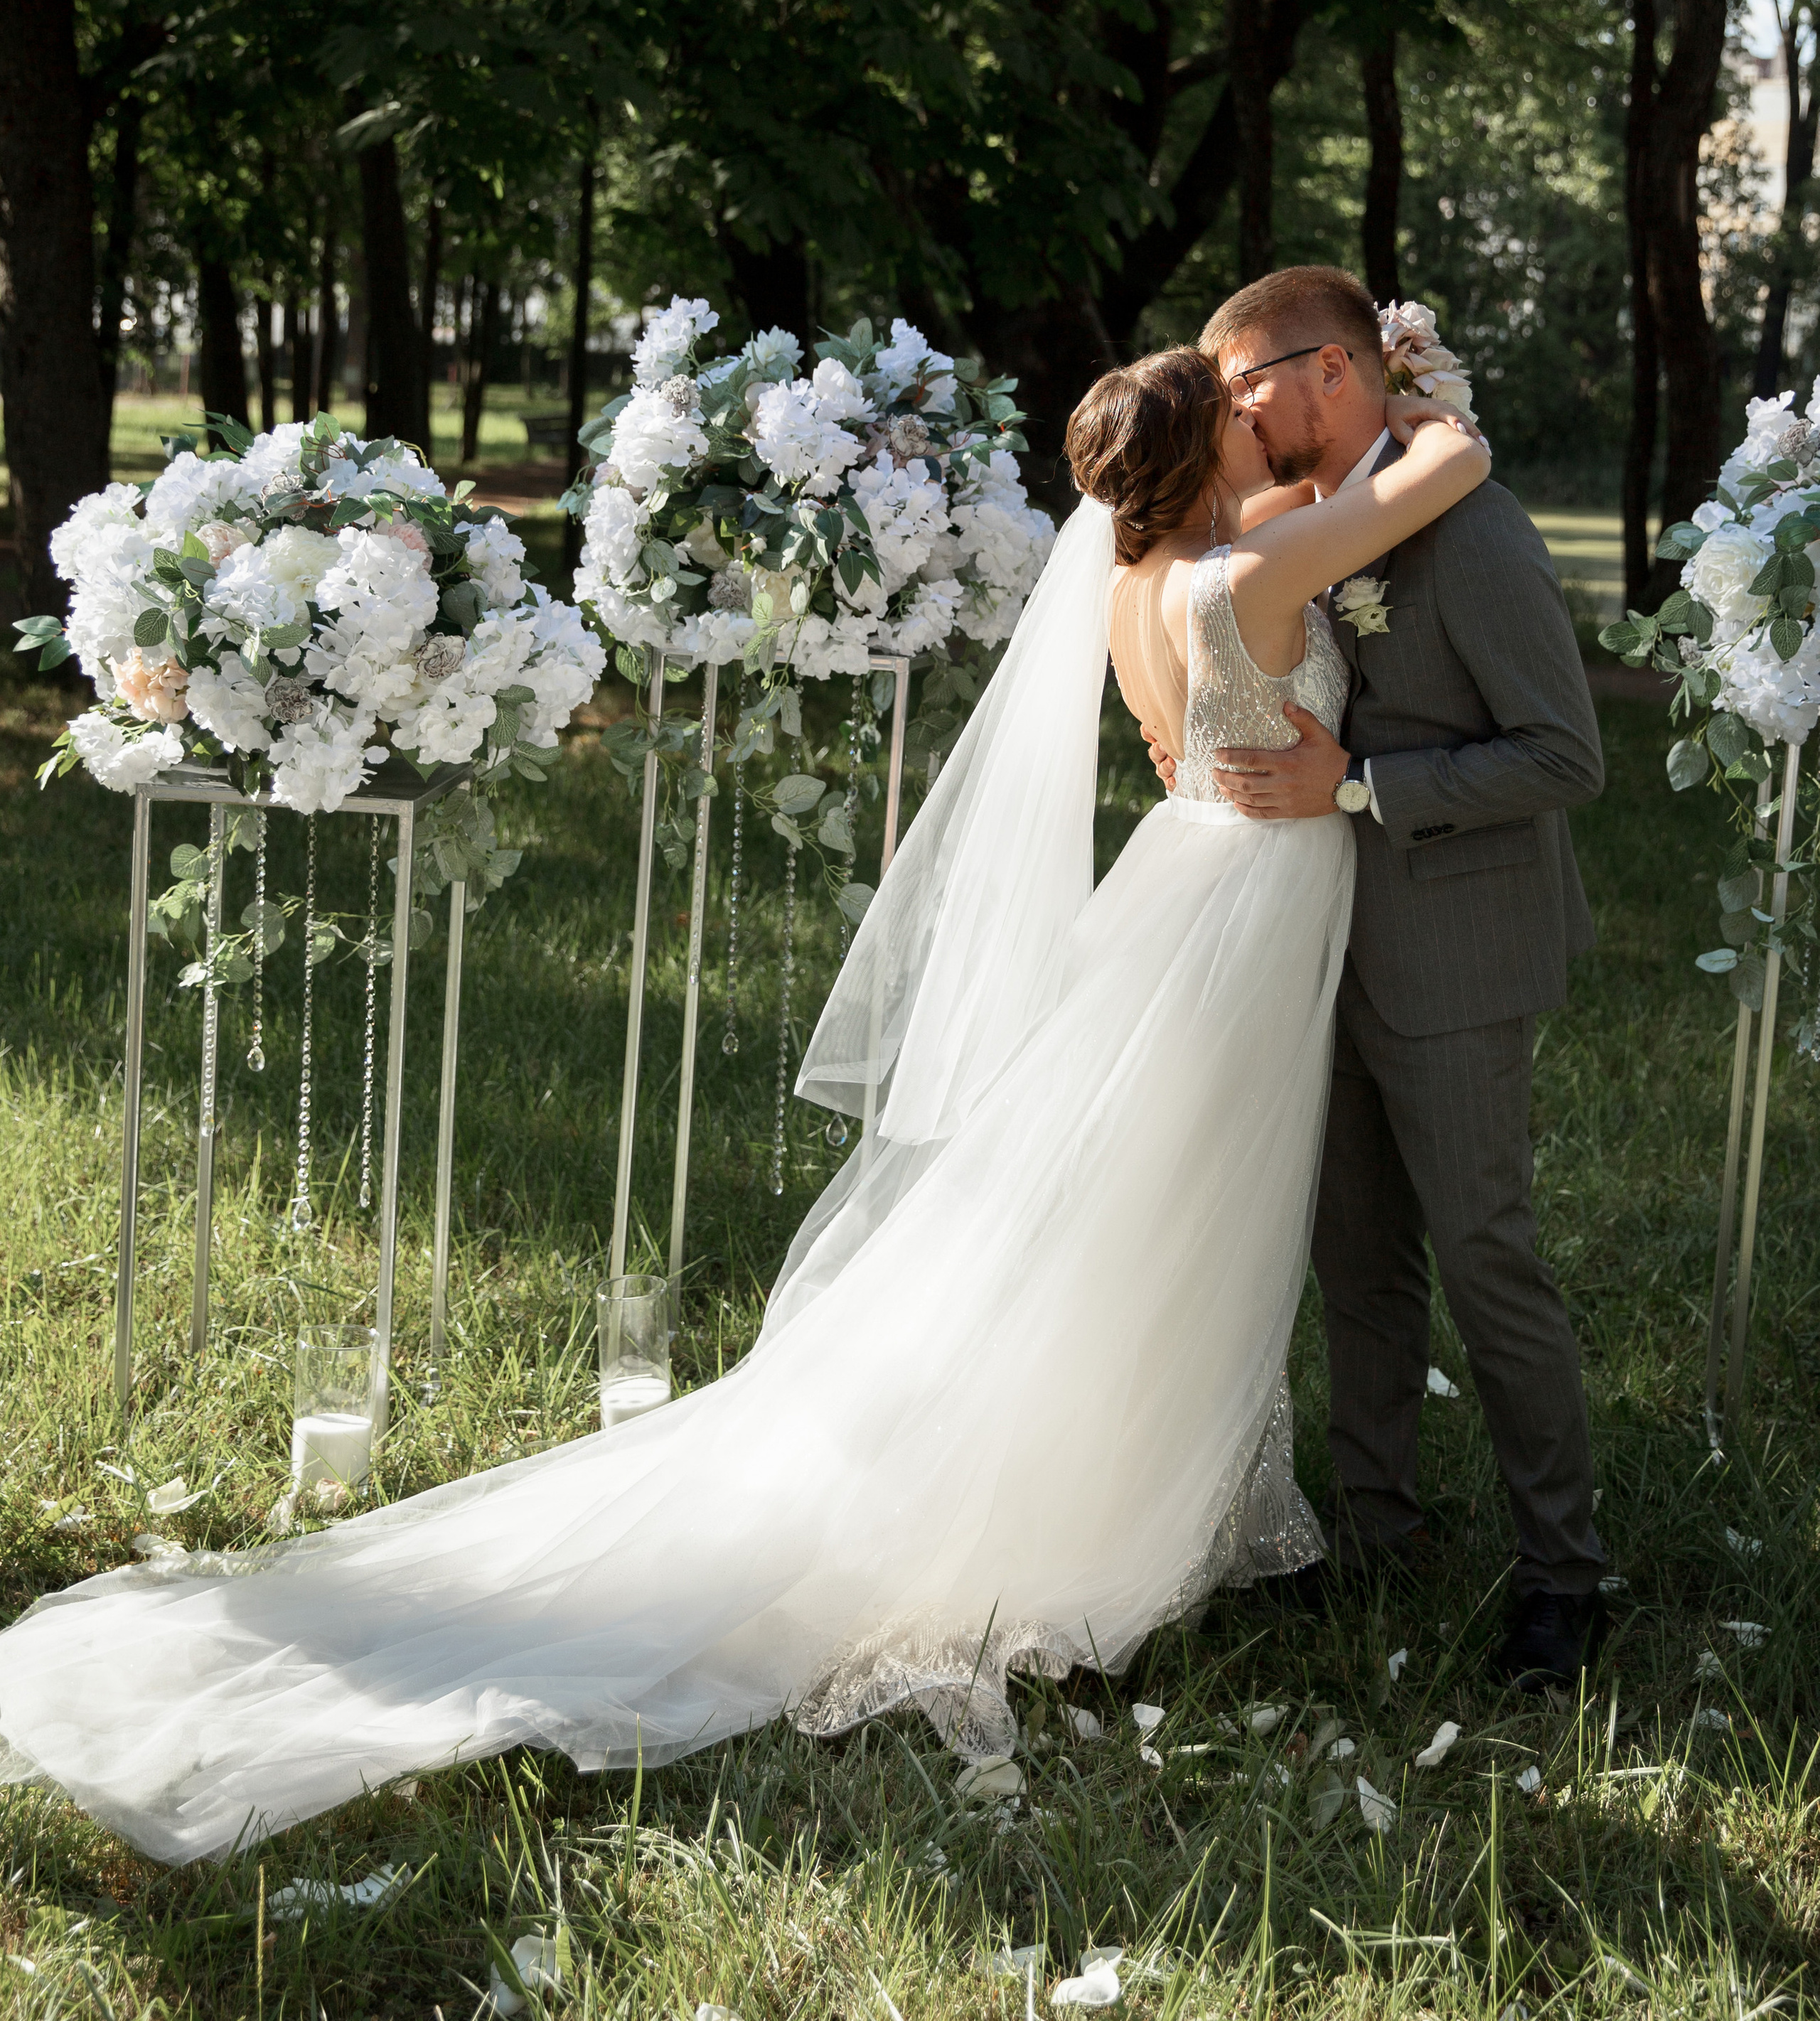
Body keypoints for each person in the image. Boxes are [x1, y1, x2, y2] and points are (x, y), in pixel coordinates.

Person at [0, 345, 1485, 1865]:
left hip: (1188, 884)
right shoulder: (1251, 565)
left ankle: (1147, 1475)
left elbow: (1311, 517)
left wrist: (1307, 448)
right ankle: (1108, 1510)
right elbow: (1443, 471)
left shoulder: (1137, 577)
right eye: (1245, 412)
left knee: (1129, 1209)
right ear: (1200, 457)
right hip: (1233, 917)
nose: (1271, 422)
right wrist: (1417, 375)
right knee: (1177, 1213)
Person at [1145, 267, 1607, 1690]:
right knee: (1356, 1259)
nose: (1236, 414)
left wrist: (1354, 783)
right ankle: (1375, 1531)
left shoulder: (1469, 536)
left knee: (1483, 1253)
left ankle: (1564, 1573)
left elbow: (1562, 756)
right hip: (1317, 943)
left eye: (1246, 388)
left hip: (1454, 949)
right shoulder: (1325, 512)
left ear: (1331, 370)